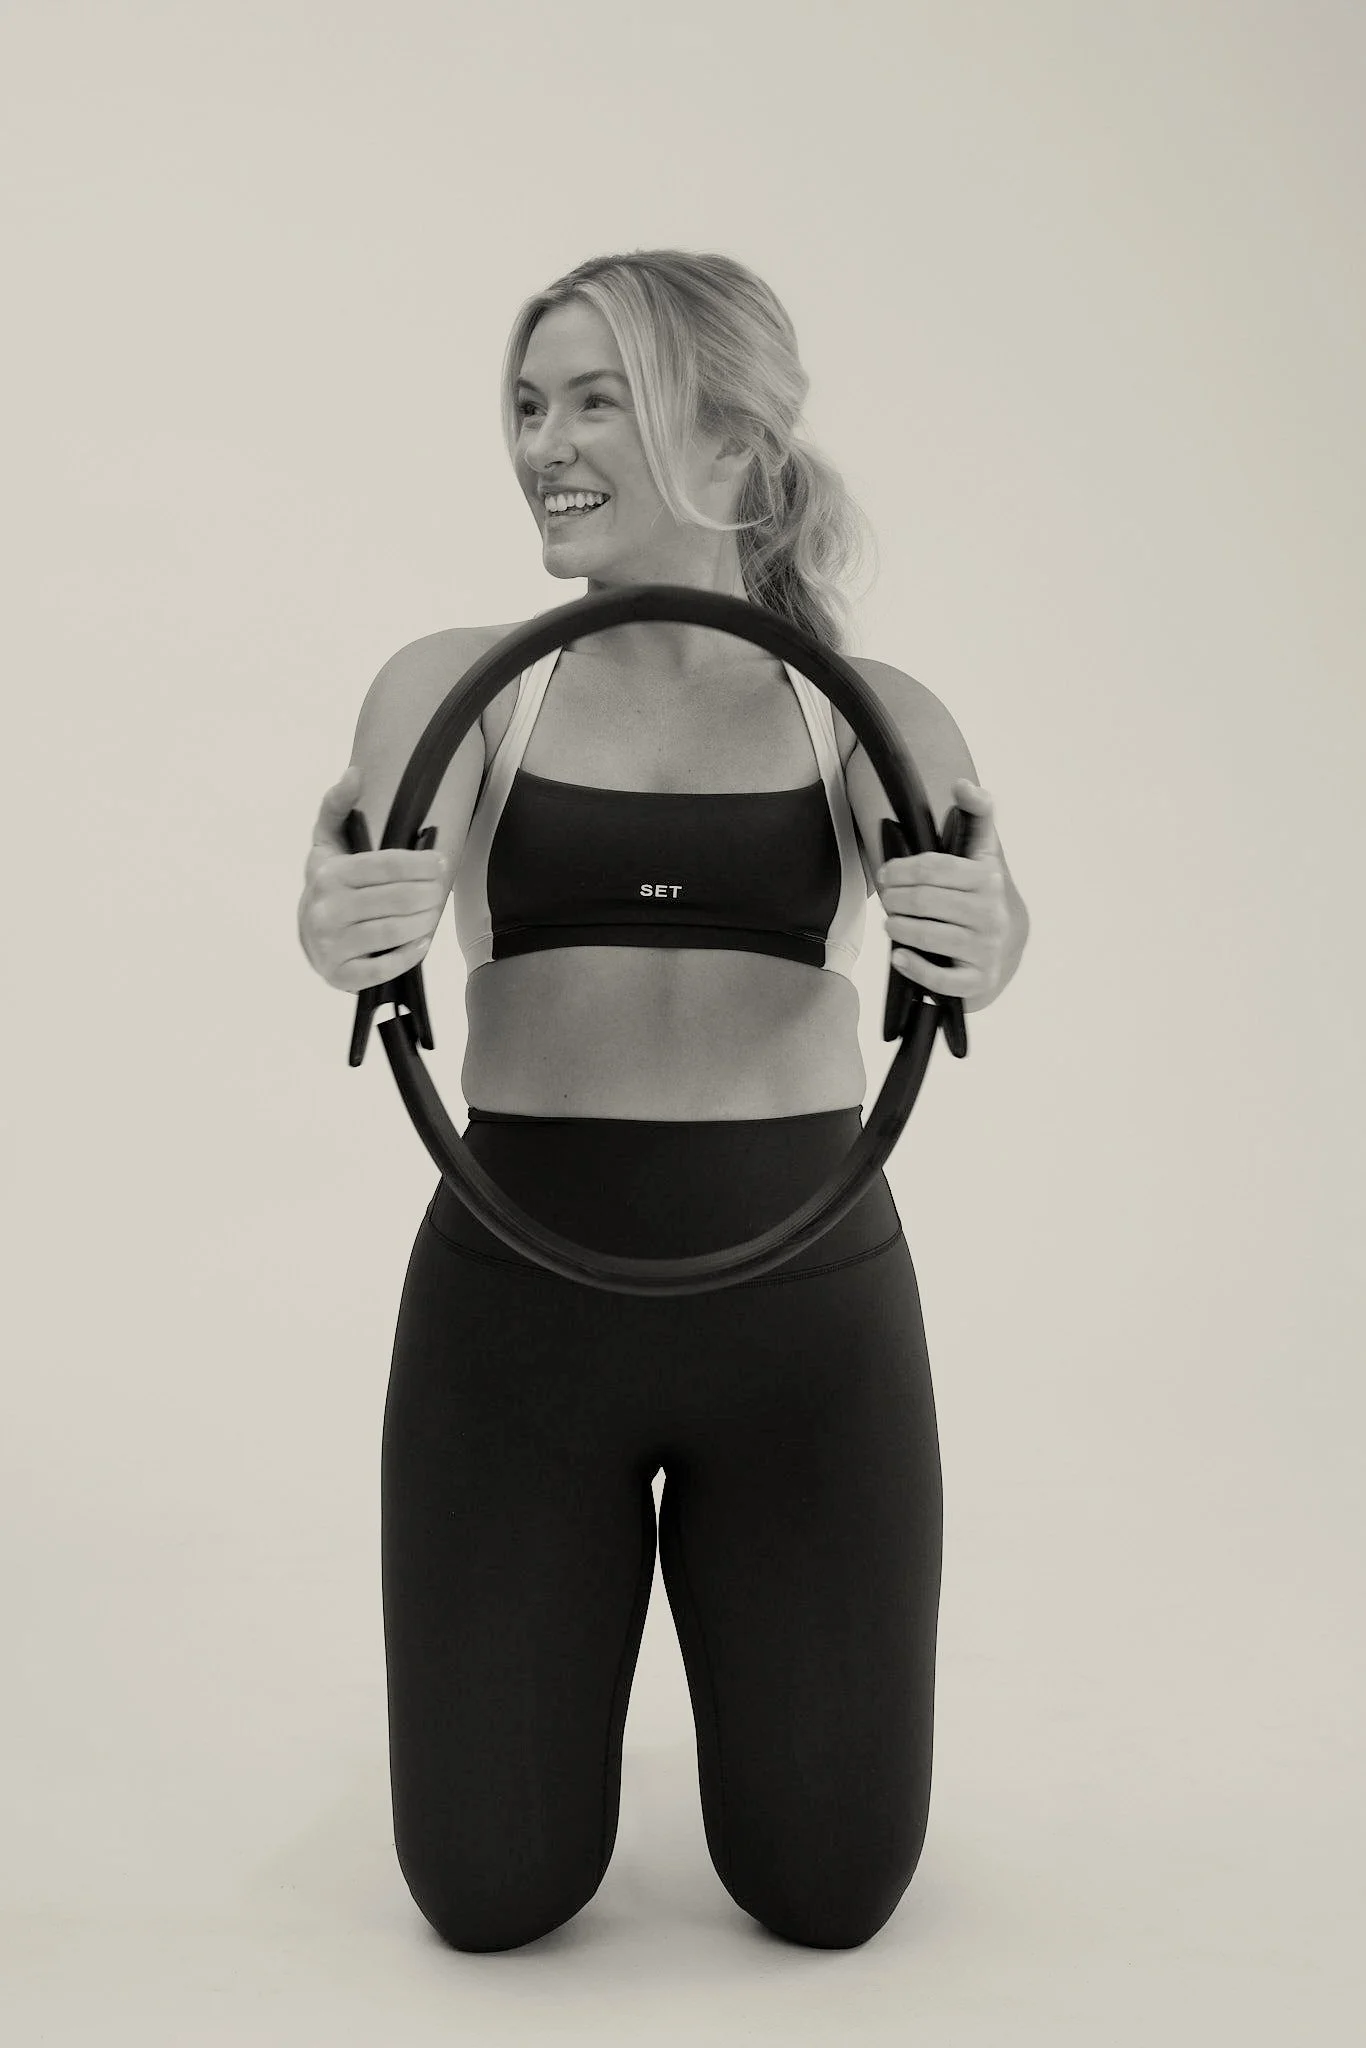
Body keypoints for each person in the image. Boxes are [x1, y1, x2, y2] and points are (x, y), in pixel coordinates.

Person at [297, 249, 1030, 1955]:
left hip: (805, 1319)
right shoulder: (462, 682)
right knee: (488, 1900)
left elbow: (980, 897)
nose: (542, 442)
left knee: (829, 1898)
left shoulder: (859, 708)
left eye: (594, 398)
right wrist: (337, 915)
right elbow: (360, 861)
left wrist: (983, 932)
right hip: (517, 1309)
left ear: (729, 434)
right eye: (529, 402)